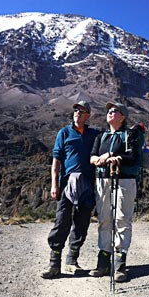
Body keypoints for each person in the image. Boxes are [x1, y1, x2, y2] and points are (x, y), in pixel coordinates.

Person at [41, 101, 100, 279]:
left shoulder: (94, 134)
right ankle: (54, 264)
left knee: (82, 223)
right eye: (75, 110)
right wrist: (54, 184)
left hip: (87, 185)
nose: (77, 113)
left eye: (82, 111)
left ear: (88, 115)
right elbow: (56, 161)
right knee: (62, 221)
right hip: (67, 184)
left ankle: (72, 258)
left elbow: (111, 139)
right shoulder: (64, 133)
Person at [89, 102, 144, 282]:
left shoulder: (130, 135)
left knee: (122, 218)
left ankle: (120, 261)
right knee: (104, 218)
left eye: (115, 111)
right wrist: (98, 159)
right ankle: (104, 259)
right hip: (103, 180)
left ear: (123, 116)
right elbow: (93, 156)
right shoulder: (101, 136)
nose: (110, 113)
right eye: (109, 111)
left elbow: (135, 156)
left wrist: (115, 156)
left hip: (124, 180)